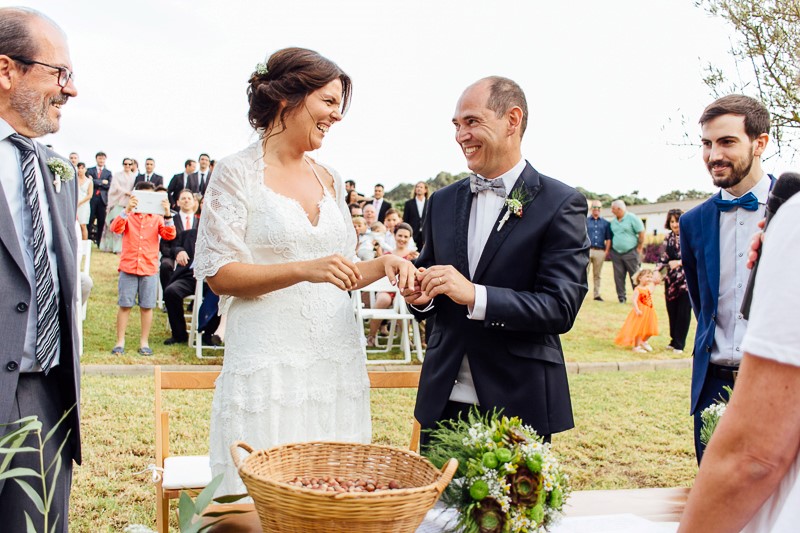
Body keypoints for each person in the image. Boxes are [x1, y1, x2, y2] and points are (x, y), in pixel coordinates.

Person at [193, 47, 416, 497]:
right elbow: (219, 274)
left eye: (339, 105)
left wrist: (384, 263)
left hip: (334, 357)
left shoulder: (329, 176)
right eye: (328, 102)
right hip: (268, 357)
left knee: (333, 485)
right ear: (286, 98)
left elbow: (340, 272)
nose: (336, 116)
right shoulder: (236, 173)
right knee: (261, 490)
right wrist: (301, 270)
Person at [402, 76, 589, 442]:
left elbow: (560, 307)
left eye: (472, 121)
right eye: (456, 125)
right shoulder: (441, 201)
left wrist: (475, 295)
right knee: (439, 502)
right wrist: (421, 297)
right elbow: (429, 273)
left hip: (517, 398)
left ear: (512, 119)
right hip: (442, 399)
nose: (460, 135)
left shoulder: (561, 203)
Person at [677, 177, 800, 533]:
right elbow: (701, 301)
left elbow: (754, 458)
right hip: (714, 373)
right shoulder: (695, 220)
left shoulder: (792, 219)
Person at [0, 7, 81, 530]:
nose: (70, 90)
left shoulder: (58, 170)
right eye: (60, 73)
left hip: (42, 396)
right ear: (6, 70)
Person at [680, 94, 772, 463]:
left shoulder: (794, 209)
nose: (714, 155)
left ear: (760, 143)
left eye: (727, 142)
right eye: (707, 143)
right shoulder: (693, 222)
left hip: (778, 381)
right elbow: (702, 305)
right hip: (713, 384)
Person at [109, 181, 176, 355]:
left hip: (149, 267)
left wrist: (168, 214)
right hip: (129, 266)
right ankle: (120, 342)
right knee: (125, 305)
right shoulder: (129, 215)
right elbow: (115, 228)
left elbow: (170, 235)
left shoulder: (157, 218)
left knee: (147, 306)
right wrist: (126, 210)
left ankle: (144, 342)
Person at [658, 209, 690, 354]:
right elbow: (663, 259)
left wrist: (679, 262)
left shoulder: (690, 235)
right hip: (670, 281)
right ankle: (673, 339)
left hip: (686, 281)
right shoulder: (668, 238)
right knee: (672, 310)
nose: (675, 224)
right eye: (672, 221)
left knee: (683, 312)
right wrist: (656, 273)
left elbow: (696, 256)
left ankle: (679, 344)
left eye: (677, 221)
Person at [609, 199, 644, 303]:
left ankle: (638, 298)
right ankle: (621, 298)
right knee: (618, 277)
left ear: (619, 209)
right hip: (616, 253)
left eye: (613, 209)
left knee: (635, 276)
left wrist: (639, 248)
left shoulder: (632, 218)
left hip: (631, 252)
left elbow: (641, 233)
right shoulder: (614, 221)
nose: (611, 211)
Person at [614, 268, 658, 352]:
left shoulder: (647, 288)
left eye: (650, 277)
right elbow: (634, 300)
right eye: (647, 276)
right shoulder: (638, 289)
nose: (649, 279)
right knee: (639, 329)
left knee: (651, 328)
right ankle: (636, 346)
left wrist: (655, 285)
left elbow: (650, 292)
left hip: (649, 311)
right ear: (640, 278)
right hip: (641, 311)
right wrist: (637, 309)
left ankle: (644, 341)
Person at [99, 157, 136, 253]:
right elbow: (116, 187)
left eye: (129, 164)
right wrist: (127, 192)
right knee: (113, 225)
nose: (127, 166)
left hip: (128, 204)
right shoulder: (117, 175)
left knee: (125, 227)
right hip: (117, 202)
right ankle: (110, 247)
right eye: (125, 164)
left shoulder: (134, 176)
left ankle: (121, 248)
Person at [586, 200, 611, 301]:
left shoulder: (606, 223)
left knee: (597, 275)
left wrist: (606, 251)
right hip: (587, 250)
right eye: (595, 207)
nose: (596, 210)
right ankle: (581, 293)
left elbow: (608, 238)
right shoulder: (585, 221)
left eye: (598, 208)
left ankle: (596, 294)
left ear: (601, 209)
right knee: (584, 273)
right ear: (591, 209)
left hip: (600, 251)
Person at [87, 150, 111, 245]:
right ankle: (88, 240)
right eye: (99, 158)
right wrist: (102, 182)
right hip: (92, 198)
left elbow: (109, 185)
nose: (101, 160)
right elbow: (89, 182)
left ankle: (99, 241)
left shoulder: (108, 172)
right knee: (90, 219)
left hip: (102, 200)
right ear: (96, 159)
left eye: (103, 158)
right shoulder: (90, 170)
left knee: (101, 220)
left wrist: (96, 181)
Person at [403, 181, 428, 250]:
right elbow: (405, 220)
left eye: (421, 187)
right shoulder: (408, 204)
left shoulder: (429, 203)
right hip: (412, 234)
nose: (419, 188)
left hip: (426, 236)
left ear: (425, 190)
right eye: (417, 187)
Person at [76, 161, 92, 240]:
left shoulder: (89, 181)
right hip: (75, 204)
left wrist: (80, 202)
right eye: (79, 168)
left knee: (83, 225)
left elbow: (90, 195)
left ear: (85, 169)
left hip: (84, 205)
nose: (80, 170)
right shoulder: (74, 180)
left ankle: (84, 245)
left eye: (82, 168)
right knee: (75, 225)